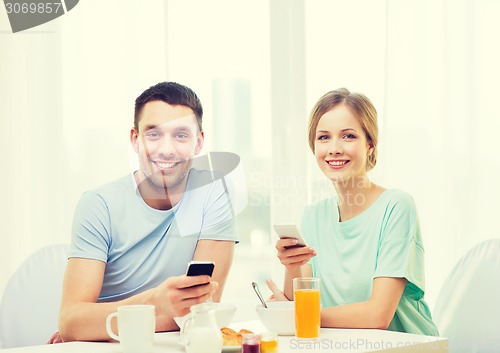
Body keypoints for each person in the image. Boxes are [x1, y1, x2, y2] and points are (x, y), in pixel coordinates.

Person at [57, 82, 237, 342]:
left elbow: (202, 309)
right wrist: (155, 302)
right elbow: (72, 323)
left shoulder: (212, 193)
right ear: (135, 139)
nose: (167, 149)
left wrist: (101, 325)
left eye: (181, 135)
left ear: (198, 143)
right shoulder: (98, 205)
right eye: (154, 134)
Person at [266, 88, 439, 336]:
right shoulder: (314, 215)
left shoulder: (396, 206)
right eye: (324, 138)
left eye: (348, 136)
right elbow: (299, 304)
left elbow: (378, 315)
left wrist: (297, 314)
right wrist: (292, 266)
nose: (334, 148)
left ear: (370, 144)